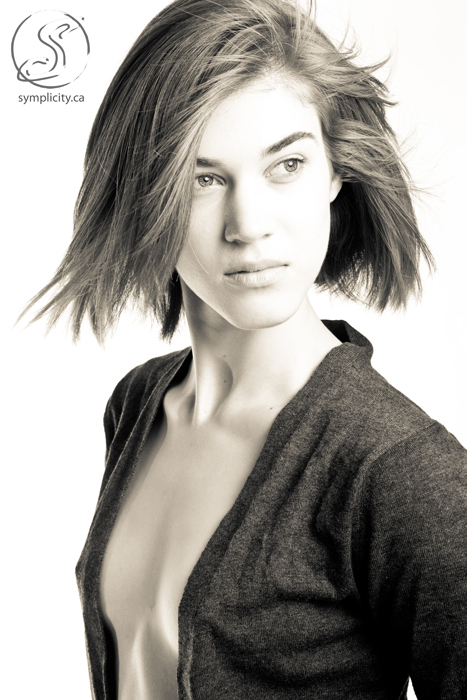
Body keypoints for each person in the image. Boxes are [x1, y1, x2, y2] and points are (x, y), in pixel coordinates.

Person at [22, 0, 467, 698]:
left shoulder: (399, 469)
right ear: (147, 196)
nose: (248, 225)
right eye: (202, 179)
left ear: (335, 171)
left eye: (286, 164)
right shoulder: (137, 405)